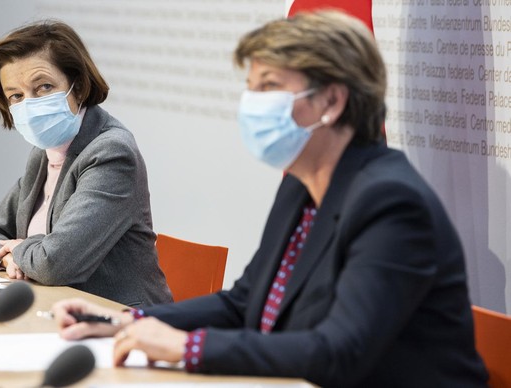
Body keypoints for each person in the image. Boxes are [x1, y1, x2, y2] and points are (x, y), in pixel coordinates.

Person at [51, 10, 488, 387]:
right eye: (251, 86)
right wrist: (130, 323)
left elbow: (341, 352)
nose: (251, 103)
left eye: (269, 86)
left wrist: (190, 348)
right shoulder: (303, 181)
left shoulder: (391, 202)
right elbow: (246, 303)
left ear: (332, 101)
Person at [0, 20, 172, 307]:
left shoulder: (111, 153)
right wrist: (10, 259)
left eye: (44, 87)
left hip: (118, 322)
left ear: (78, 86)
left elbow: (56, 263)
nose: (30, 104)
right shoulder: (46, 151)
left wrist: (22, 249)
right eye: (16, 95)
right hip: (53, 312)